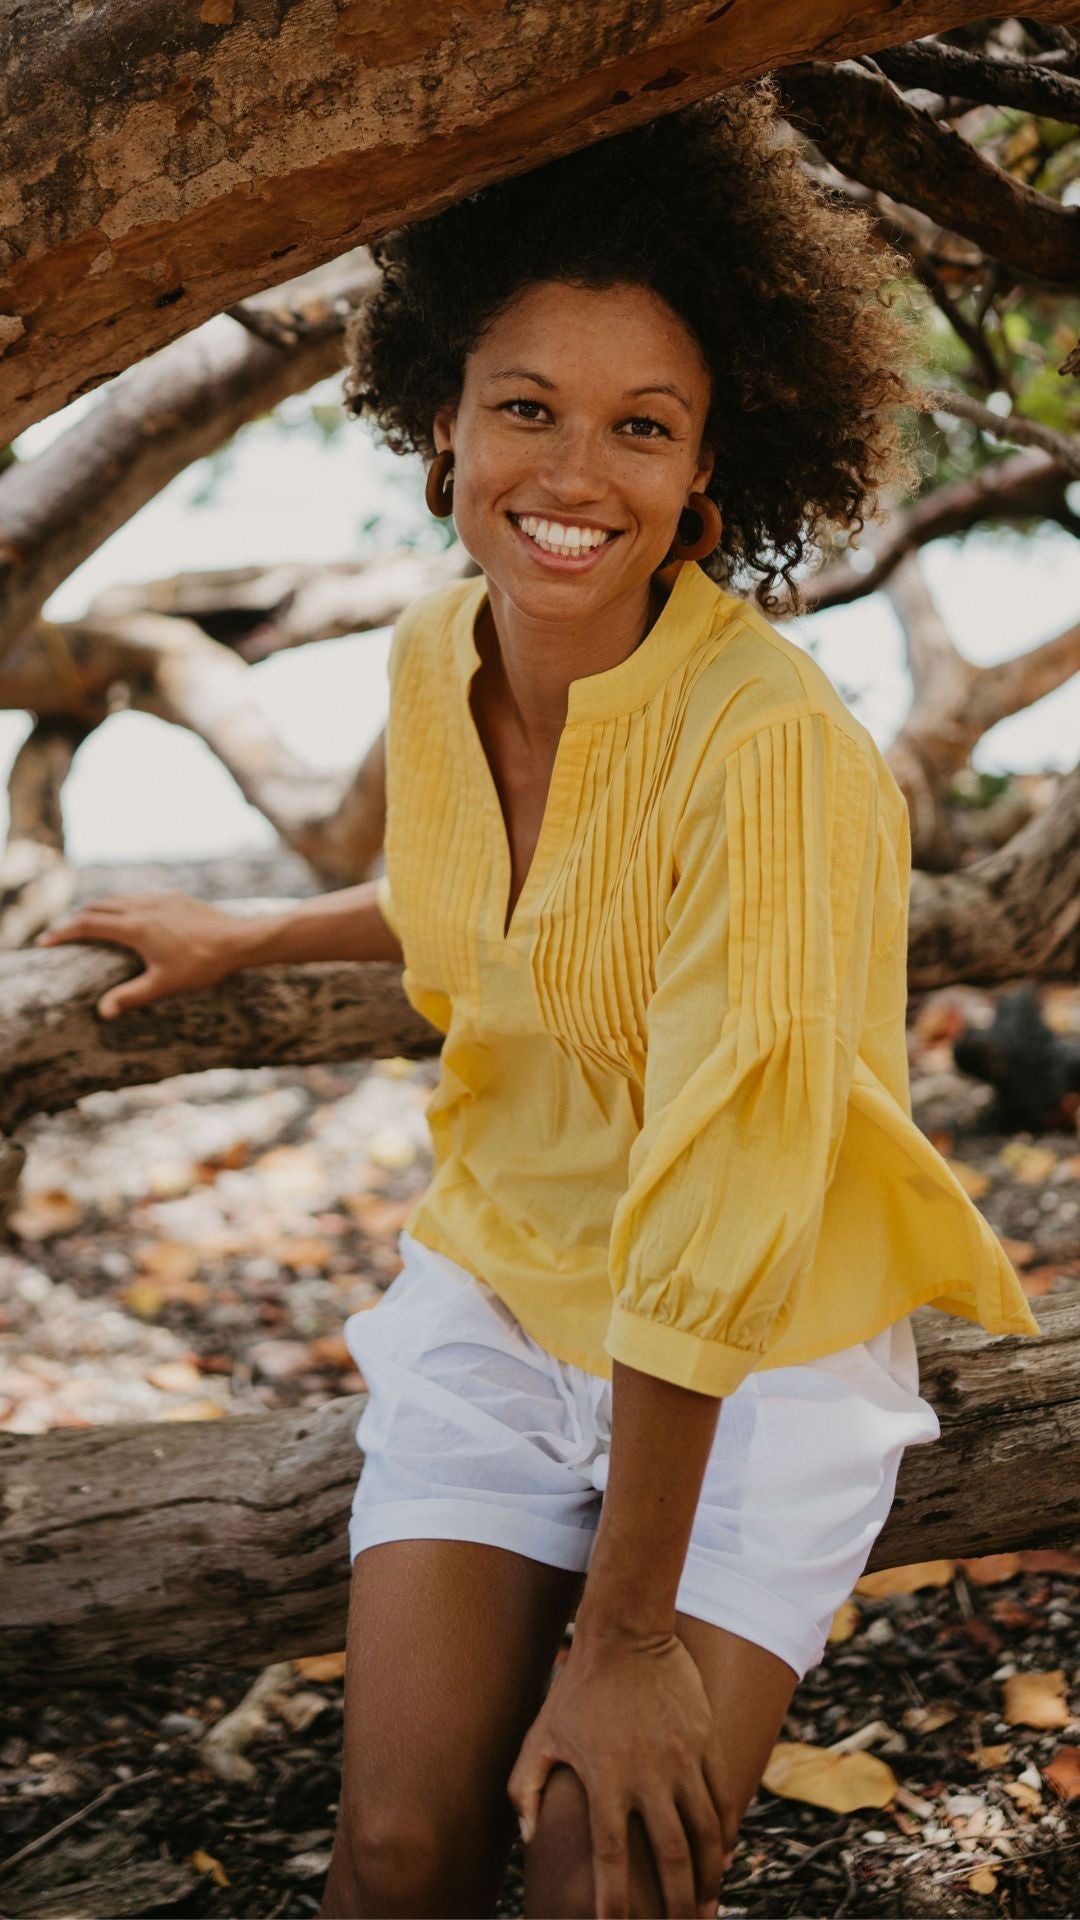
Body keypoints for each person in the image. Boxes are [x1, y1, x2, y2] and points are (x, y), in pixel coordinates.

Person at [37, 81, 1041, 1920]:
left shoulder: (779, 747)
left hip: (754, 1353)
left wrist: (629, 1629)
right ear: (441, 427)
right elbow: (480, 904)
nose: (574, 475)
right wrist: (244, 936)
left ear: (706, 476)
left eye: (640, 428)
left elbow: (731, 1180)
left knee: (602, 1877)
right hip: (504, 1301)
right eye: (527, 407)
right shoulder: (438, 656)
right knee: (398, 1853)